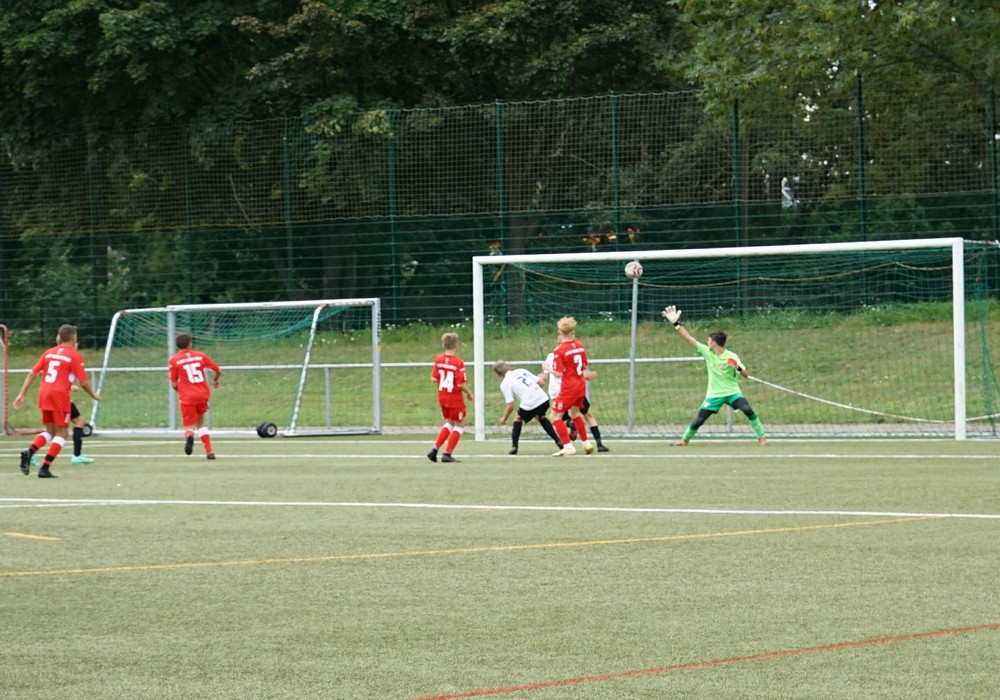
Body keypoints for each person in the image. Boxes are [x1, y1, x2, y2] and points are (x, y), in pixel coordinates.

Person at [662, 305, 768, 446]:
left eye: (709, 340)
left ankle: (762, 437)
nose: (707, 342)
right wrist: (676, 324)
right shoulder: (708, 352)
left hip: (732, 392)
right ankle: (684, 440)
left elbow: (746, 374)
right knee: (699, 420)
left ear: (714, 343)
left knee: (748, 410)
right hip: (714, 394)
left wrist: (737, 367)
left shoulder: (731, 356)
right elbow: (688, 338)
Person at [14, 324, 100, 478]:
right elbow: (83, 382)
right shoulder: (74, 356)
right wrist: (93, 394)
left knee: (50, 431)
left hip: (44, 394)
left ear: (60, 337)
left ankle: (30, 451)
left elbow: (32, 373)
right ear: (73, 337)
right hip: (59, 397)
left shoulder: (48, 353)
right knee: (62, 433)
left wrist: (22, 394)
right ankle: (45, 468)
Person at [539, 352, 610, 452]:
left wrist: (544, 371)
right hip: (572, 389)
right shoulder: (573, 353)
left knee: (557, 418)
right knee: (585, 414)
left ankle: (568, 444)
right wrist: (588, 376)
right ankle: (597, 444)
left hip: (559, 392)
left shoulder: (553, 355)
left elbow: (548, 376)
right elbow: (576, 373)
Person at [168, 332, 221, 460]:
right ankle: (209, 452)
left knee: (189, 426)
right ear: (189, 344)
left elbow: (173, 383)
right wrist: (215, 380)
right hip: (202, 394)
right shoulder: (200, 356)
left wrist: (181, 391)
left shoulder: (174, 360)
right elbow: (217, 369)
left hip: (187, 397)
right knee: (200, 423)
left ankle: (190, 436)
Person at [547, 317, 595, 456]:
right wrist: (588, 376)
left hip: (568, 387)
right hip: (580, 385)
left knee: (554, 417)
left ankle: (568, 446)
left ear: (559, 332)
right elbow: (583, 366)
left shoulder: (559, 350)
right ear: (573, 331)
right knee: (574, 414)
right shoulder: (579, 345)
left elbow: (558, 373)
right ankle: (586, 443)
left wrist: (547, 368)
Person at [493, 360, 563, 455]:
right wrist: (540, 377)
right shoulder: (521, 371)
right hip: (544, 399)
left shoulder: (505, 383)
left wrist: (504, 418)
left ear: (498, 375)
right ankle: (558, 441)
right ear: (509, 367)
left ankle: (514, 446)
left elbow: (511, 405)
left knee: (518, 418)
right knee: (540, 416)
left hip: (530, 404)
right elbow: (541, 383)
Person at [428, 332, 474, 463]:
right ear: (456, 345)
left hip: (442, 396)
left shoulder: (438, 359)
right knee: (459, 424)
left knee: (450, 423)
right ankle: (447, 454)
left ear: (443, 345)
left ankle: (434, 449)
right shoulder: (458, 362)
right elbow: (460, 384)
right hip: (454, 398)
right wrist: (469, 393)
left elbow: (433, 379)